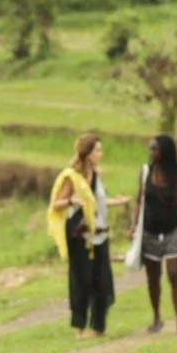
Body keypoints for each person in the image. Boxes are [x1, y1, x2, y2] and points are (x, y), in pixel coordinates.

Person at [47, 131, 118, 335]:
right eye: (97, 150)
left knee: (102, 279)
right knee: (82, 280)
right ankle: (80, 327)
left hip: (100, 233)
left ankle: (99, 326)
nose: (100, 154)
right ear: (87, 153)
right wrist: (71, 201)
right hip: (80, 235)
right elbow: (56, 204)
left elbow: (96, 202)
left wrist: (115, 202)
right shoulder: (72, 178)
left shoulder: (97, 174)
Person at [125, 133, 177, 332]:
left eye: (155, 149)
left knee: (175, 275)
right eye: (150, 149)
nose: (151, 153)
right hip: (149, 233)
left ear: (165, 151)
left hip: (175, 231)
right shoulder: (146, 172)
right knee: (153, 277)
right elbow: (140, 200)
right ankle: (157, 318)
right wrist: (134, 226)